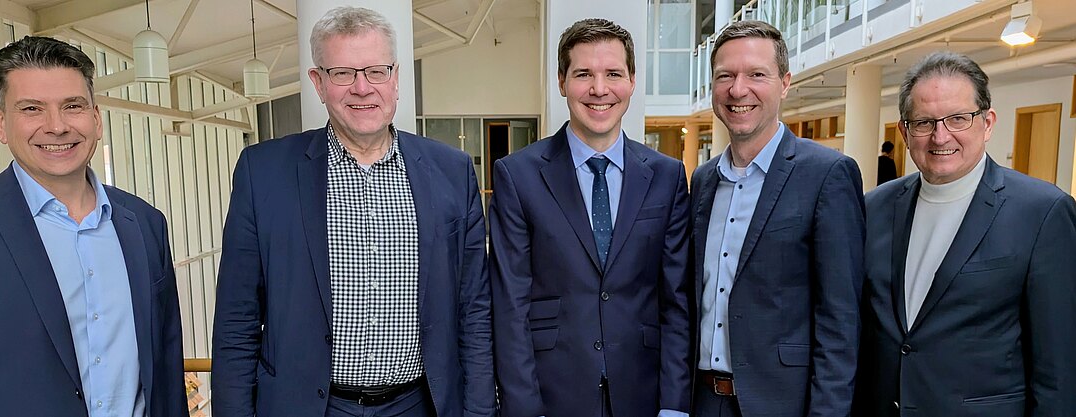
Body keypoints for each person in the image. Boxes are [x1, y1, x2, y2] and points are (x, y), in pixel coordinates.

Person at [210, 6, 494, 417]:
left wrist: (480, 411)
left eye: (376, 71)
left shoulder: (452, 171)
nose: (362, 88)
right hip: (307, 407)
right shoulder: (263, 174)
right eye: (343, 73)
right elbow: (237, 322)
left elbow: (474, 311)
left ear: (395, 78)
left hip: (421, 404)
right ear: (318, 83)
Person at [0, 36, 185, 417]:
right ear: (0, 123)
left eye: (72, 106)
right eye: (32, 108)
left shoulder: (145, 223)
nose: (56, 126)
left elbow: (165, 364)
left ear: (96, 119)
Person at [489, 18, 692, 417]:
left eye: (613, 73)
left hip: (644, 393)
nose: (599, 89)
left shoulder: (667, 176)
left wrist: (674, 404)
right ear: (562, 82)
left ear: (632, 81)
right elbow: (510, 307)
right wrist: (523, 407)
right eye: (584, 74)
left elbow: (676, 303)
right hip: (552, 393)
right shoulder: (517, 175)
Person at [856, 51, 1076, 416]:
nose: (940, 136)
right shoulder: (874, 208)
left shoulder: (1043, 213)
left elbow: (1060, 367)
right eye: (924, 122)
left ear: (987, 123)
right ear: (904, 132)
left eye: (958, 118)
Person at [690, 20, 864, 416]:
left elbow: (840, 320)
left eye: (756, 75)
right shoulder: (702, 180)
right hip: (701, 399)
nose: (738, 90)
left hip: (782, 404)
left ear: (784, 83)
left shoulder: (827, 175)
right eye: (725, 76)